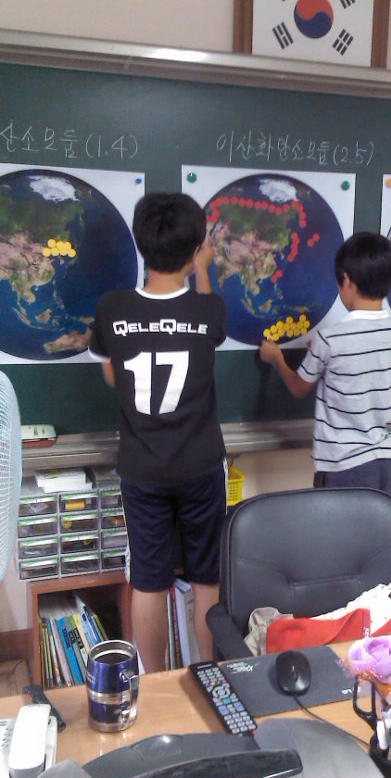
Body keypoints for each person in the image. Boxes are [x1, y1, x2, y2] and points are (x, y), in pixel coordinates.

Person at [89, 192, 227, 672]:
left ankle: (155, 683)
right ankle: (209, 675)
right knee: (207, 577)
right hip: (200, 464)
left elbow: (114, 377)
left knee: (148, 580)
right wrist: (203, 270)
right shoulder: (209, 311)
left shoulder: (112, 309)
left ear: (141, 244)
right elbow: (207, 319)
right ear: (195, 249)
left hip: (142, 467)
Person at [260, 231, 391, 497]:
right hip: (385, 462)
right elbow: (363, 358)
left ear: (347, 281)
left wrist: (277, 359)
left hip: (343, 465)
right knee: (378, 525)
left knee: (339, 526)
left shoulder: (330, 340)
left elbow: (298, 387)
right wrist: (324, 352)